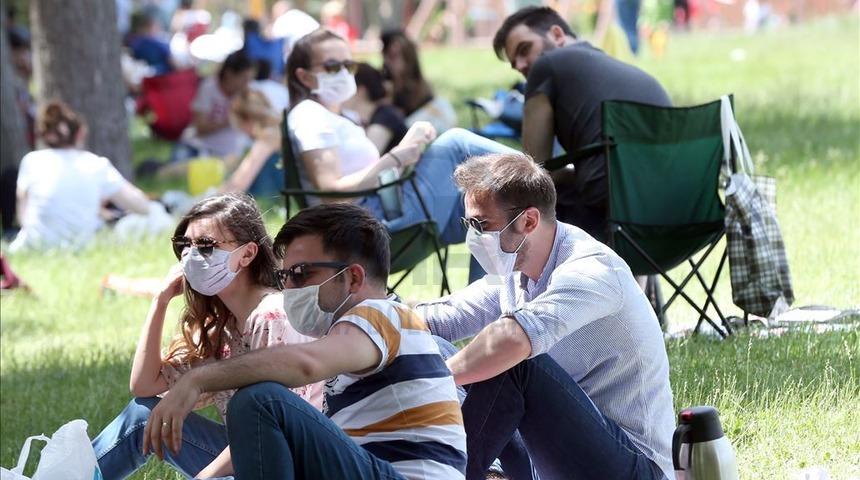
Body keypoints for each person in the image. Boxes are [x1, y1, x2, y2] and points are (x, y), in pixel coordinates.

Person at [139, 203, 468, 479]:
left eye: (302, 274)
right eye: (285, 276)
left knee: (260, 400)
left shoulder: (382, 314)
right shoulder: (355, 336)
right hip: (374, 468)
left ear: (353, 277)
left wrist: (198, 379)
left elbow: (306, 363)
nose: (290, 289)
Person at [416, 153, 675, 480]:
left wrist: (430, 379)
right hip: (548, 460)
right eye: (469, 224)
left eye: (482, 225)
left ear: (529, 221)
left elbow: (512, 340)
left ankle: (445, 474)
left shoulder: (591, 270)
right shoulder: (514, 271)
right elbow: (442, 317)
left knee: (517, 361)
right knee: (428, 343)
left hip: (630, 467)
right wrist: (371, 323)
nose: (474, 237)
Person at [92, 193, 323, 479]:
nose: (191, 255)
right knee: (144, 414)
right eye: (185, 245)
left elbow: (276, 432)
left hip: (293, 467)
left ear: (247, 254)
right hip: (251, 459)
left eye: (205, 245)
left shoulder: (273, 316)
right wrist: (160, 302)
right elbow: (144, 387)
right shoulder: (223, 327)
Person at [286, 28, 515, 280]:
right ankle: (540, 174)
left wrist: (408, 148)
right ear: (305, 77)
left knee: (491, 207)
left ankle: (485, 310)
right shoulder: (309, 115)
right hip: (365, 225)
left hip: (382, 209)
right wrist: (397, 156)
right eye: (332, 66)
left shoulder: (336, 117)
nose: (342, 73)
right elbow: (330, 190)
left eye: (348, 66)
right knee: (455, 142)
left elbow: (372, 175)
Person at [492, 6, 671, 241]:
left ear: (557, 35)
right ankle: (636, 277)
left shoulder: (546, 65)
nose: (523, 65)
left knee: (516, 200)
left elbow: (534, 171)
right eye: (515, 63)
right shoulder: (624, 71)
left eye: (525, 50)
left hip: (615, 213)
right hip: (678, 213)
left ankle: (507, 279)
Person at [9, 102, 151, 252]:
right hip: (80, 247)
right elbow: (142, 206)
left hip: (34, 247)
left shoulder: (31, 161)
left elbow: (22, 217)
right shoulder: (95, 164)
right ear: (80, 133)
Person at [175, 50, 255, 161]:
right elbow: (200, 128)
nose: (247, 83)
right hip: (198, 147)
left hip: (228, 154)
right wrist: (230, 120)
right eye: (244, 78)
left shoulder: (247, 94)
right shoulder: (208, 88)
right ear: (229, 74)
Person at [381, 29, 457, 133]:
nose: (390, 62)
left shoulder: (418, 86)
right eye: (388, 56)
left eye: (395, 56)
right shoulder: (385, 84)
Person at [219, 88, 285, 199]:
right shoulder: (277, 130)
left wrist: (208, 199)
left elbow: (238, 185)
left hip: (268, 201)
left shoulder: (268, 137)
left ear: (247, 120)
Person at [343, 62, 408, 154]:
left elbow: (365, 158)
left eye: (345, 88)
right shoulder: (373, 117)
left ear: (361, 91)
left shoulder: (386, 116)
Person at [128, 11, 174, 75]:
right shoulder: (158, 44)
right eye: (156, 26)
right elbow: (172, 62)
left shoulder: (135, 43)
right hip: (162, 77)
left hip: (143, 75)